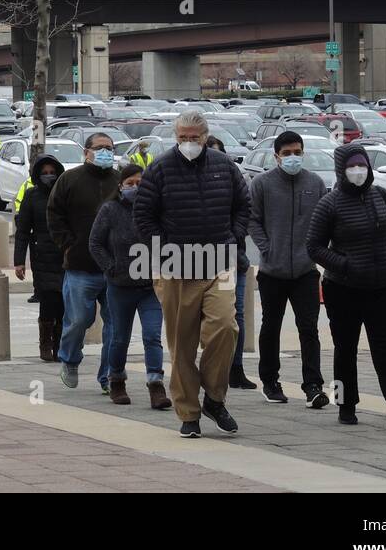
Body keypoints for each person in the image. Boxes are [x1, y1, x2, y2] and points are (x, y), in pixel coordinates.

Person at [133, 109, 248, 439]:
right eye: (182, 137)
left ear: (205, 136)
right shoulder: (160, 169)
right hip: (176, 267)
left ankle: (214, 397)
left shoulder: (224, 166)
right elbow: (144, 216)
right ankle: (189, 412)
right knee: (182, 344)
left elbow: (244, 204)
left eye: (193, 138)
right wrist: (164, 248)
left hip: (219, 261)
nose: (187, 143)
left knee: (226, 326)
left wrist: (234, 236)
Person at [307, 143, 386, 430]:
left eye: (362, 165)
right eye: (351, 166)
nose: (358, 171)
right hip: (343, 289)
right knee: (345, 348)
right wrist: (343, 264)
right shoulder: (329, 203)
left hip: (382, 286)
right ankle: (345, 405)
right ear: (341, 170)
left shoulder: (381, 195)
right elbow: (314, 247)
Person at [248, 130, 328, 407]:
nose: (292, 158)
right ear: (277, 156)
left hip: (306, 271)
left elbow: (323, 221)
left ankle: (313, 386)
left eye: (297, 152)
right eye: (287, 153)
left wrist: (317, 250)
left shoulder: (315, 183)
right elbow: (252, 220)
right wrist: (267, 247)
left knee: (309, 328)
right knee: (271, 326)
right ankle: (270, 381)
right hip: (272, 271)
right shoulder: (262, 184)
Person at [90, 163, 172, 409]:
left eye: (140, 184)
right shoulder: (110, 210)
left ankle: (156, 385)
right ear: (120, 186)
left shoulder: (155, 211)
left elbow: (167, 241)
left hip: (150, 287)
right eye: (130, 184)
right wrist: (111, 266)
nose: (135, 188)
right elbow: (95, 243)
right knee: (119, 338)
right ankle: (117, 381)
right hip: (120, 286)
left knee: (152, 336)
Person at [48, 132, 121, 392]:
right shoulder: (69, 179)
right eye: (100, 148)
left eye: (109, 148)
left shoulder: (119, 180)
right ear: (87, 152)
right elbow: (54, 214)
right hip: (80, 266)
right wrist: (67, 244)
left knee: (115, 326)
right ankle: (70, 359)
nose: (105, 152)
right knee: (78, 320)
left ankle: (110, 376)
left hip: (114, 269)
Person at [206, 135, 255, 391]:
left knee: (235, 315)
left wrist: (234, 236)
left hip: (233, 259)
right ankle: (209, 368)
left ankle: (236, 368)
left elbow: (245, 211)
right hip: (199, 261)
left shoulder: (236, 178)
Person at [14, 153, 66, 362]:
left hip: (64, 255)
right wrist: (19, 261)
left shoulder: (65, 194)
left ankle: (60, 345)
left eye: (52, 173)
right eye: (44, 173)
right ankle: (45, 344)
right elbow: (23, 231)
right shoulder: (31, 196)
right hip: (41, 256)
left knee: (63, 302)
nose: (49, 176)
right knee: (48, 300)